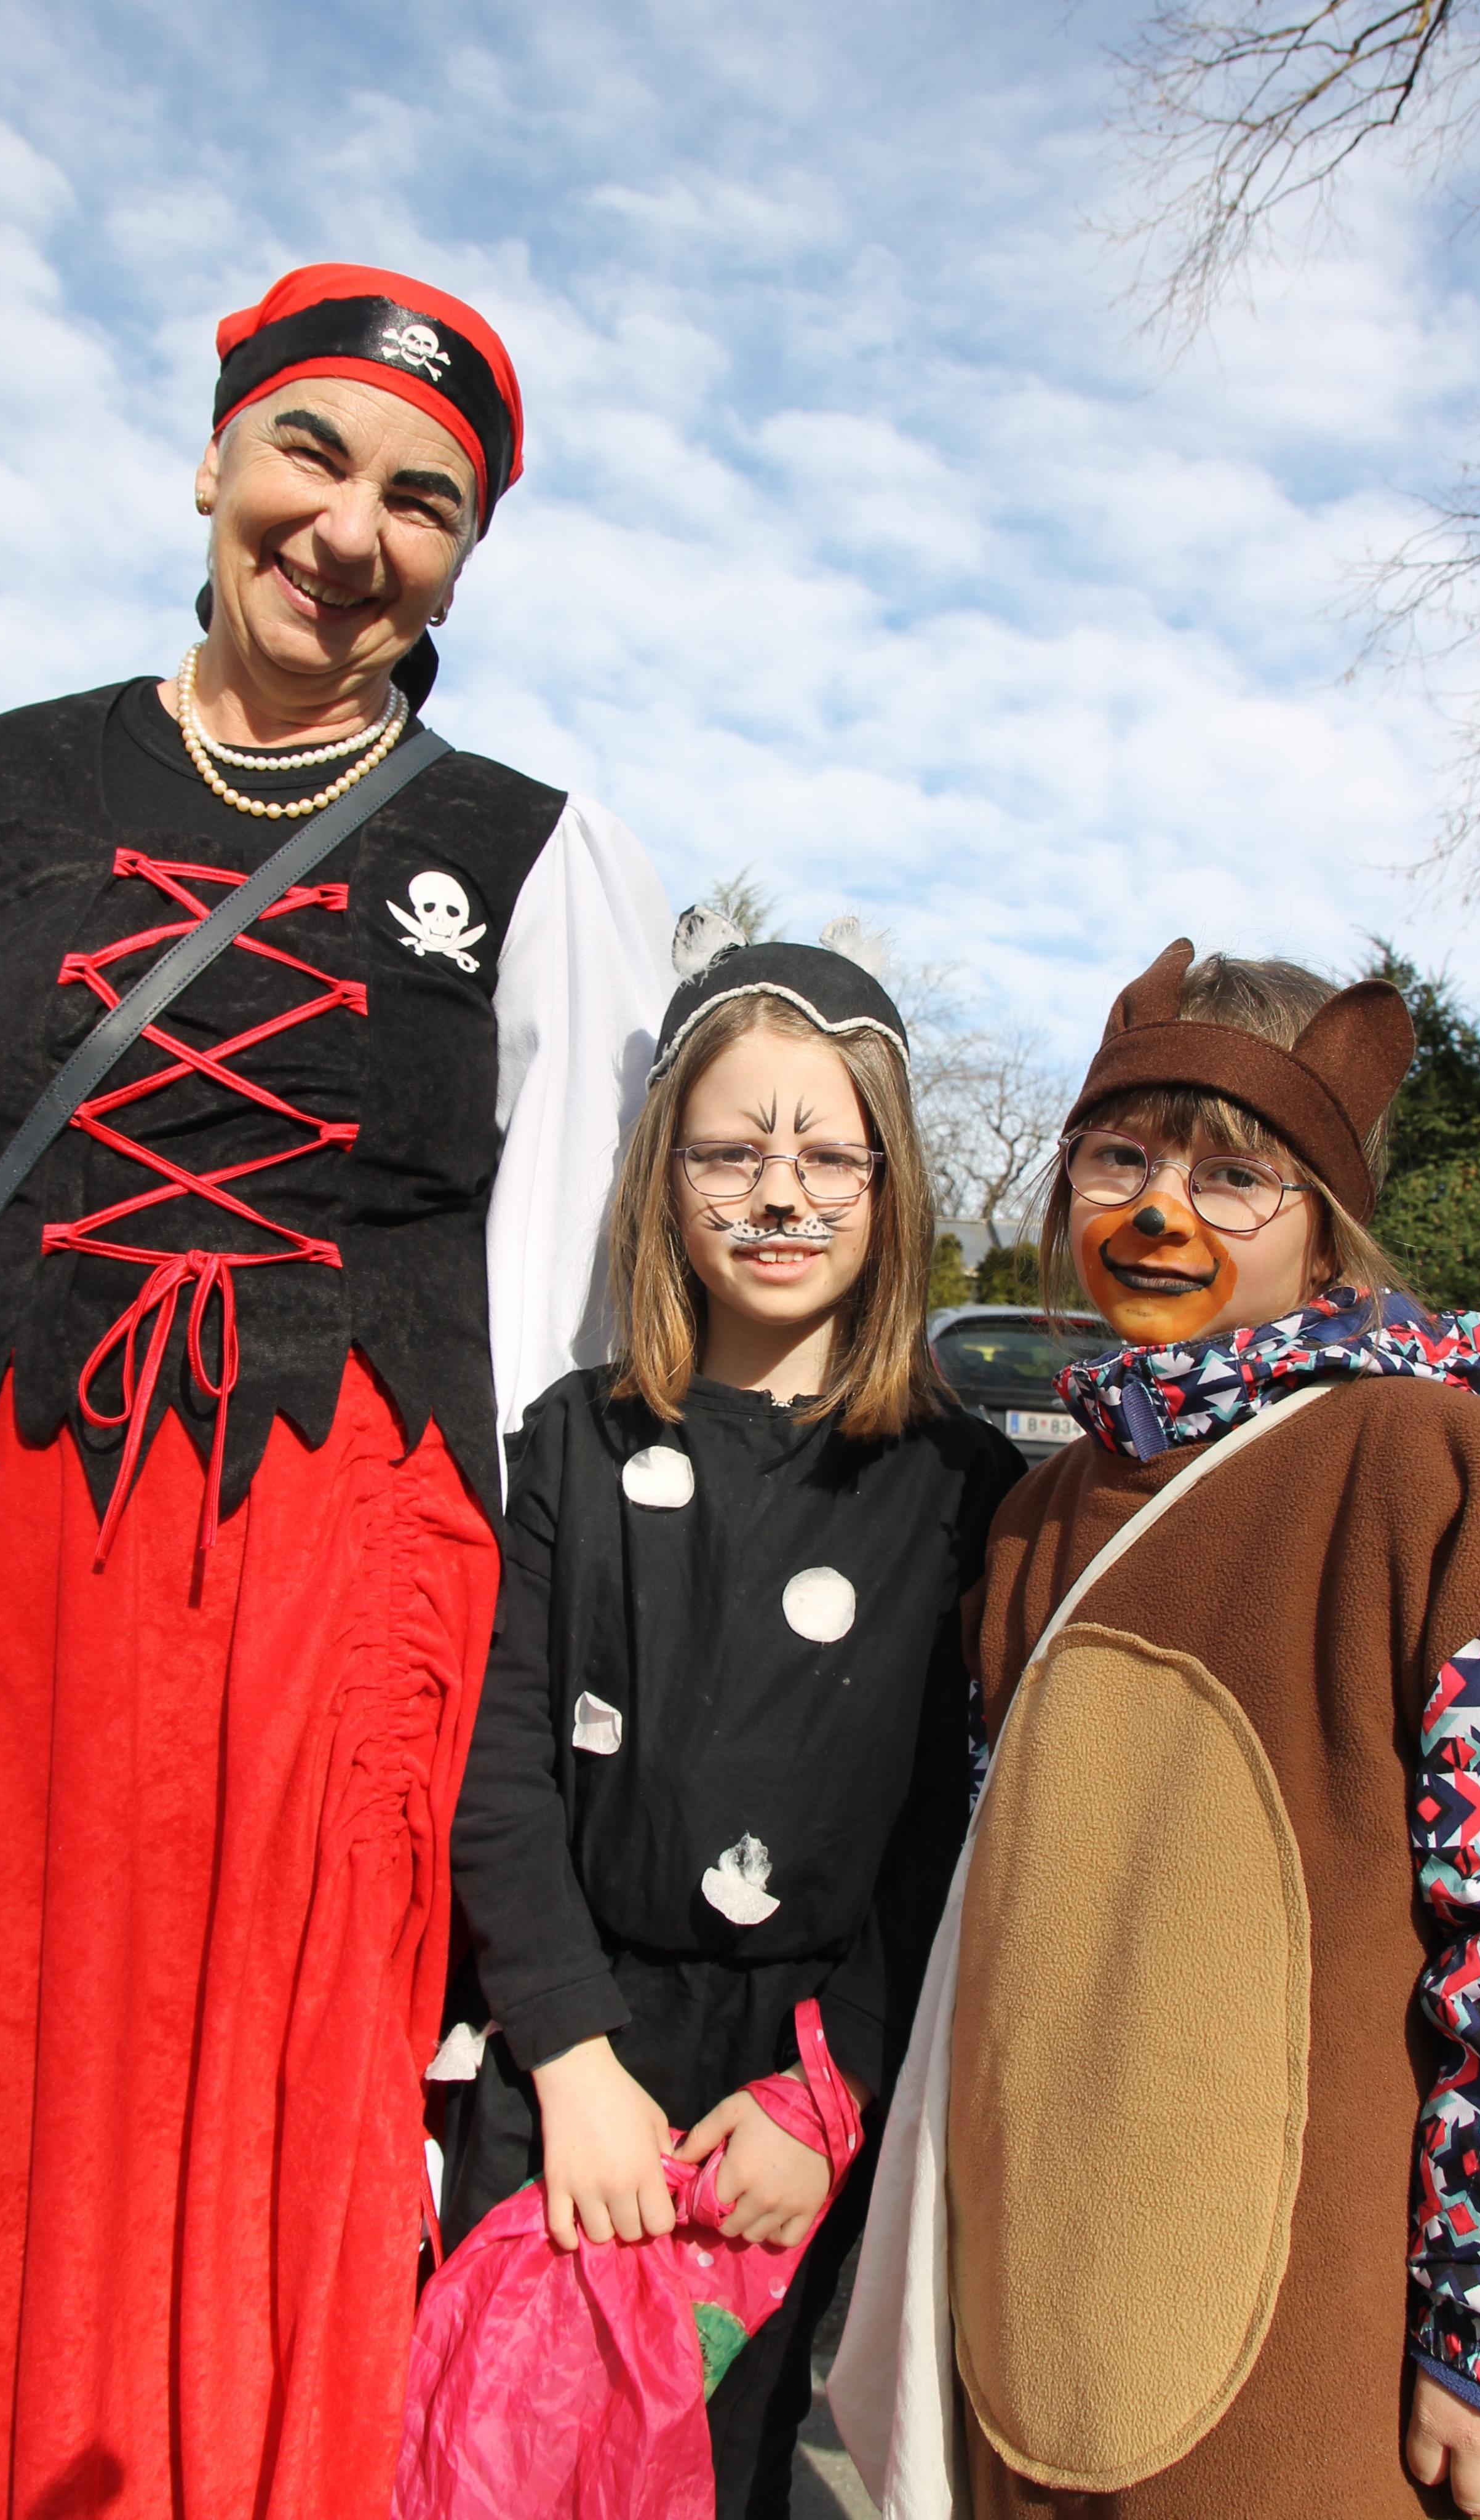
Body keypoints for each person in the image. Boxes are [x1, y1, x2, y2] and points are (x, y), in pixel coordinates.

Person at [0, 261, 672, 2520]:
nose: (351, 529)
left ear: (465, 557)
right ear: (214, 462)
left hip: (336, 1591)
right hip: (2, 1561)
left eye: (425, 502)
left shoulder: (531, 858)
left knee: (276, 2127)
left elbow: (563, 1323)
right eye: (311, 456)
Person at [829, 940, 1480, 2520]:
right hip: (1041, 2308)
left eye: (1236, 1173)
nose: (1161, 1210)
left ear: (1327, 1227)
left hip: (1318, 2340)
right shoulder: (1039, 1509)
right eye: (1122, 1156)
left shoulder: (1444, 1474)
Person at [440, 915, 1020, 2515]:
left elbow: (955, 1825)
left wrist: (830, 2094)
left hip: (797, 2078)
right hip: (574, 2057)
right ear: (663, 1175)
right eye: (731, 1152)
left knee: (726, 2469)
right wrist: (571, 2062)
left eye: (828, 1156)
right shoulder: (571, 1447)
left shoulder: (961, 1491)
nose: (778, 1195)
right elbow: (498, 1765)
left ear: (891, 1186)